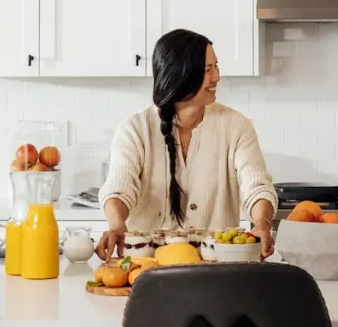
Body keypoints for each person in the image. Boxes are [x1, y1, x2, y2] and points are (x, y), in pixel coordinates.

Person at [97, 28, 279, 259]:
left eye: (216, 66)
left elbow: (257, 186)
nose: (217, 77)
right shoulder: (135, 128)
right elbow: (119, 189)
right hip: (147, 268)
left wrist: (261, 223)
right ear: (180, 75)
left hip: (216, 268)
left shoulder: (236, 126)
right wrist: (117, 225)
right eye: (207, 70)